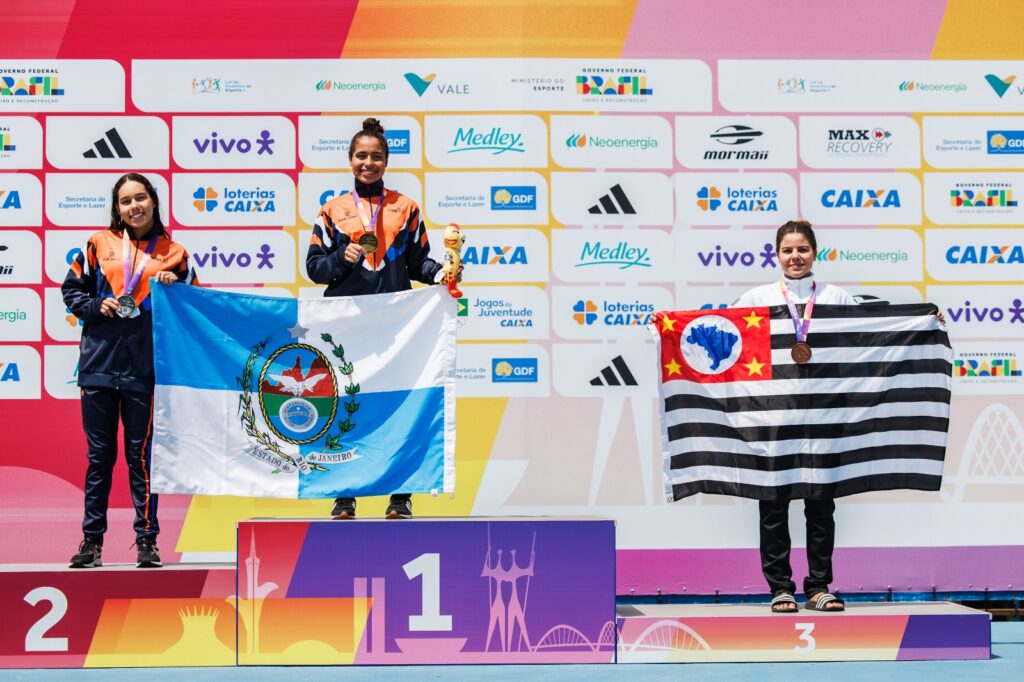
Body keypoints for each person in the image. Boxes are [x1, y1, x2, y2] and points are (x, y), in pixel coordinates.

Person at [306, 117, 459, 520]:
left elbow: (418, 263)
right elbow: (314, 268)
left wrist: (441, 274)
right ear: (350, 160)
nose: (368, 163)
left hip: (395, 327)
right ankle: (344, 495)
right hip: (347, 327)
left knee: (400, 407)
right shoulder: (332, 211)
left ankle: (400, 496)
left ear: (386, 161)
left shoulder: (405, 208)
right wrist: (340, 258)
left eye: (376, 156)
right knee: (346, 406)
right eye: (361, 156)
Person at [62, 173, 200, 568]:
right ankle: (91, 542)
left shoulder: (175, 253)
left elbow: (194, 305)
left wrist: (176, 287)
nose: (134, 206)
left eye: (141, 198)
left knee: (141, 460)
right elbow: (71, 291)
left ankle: (147, 541)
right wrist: (96, 306)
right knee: (99, 459)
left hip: (145, 370)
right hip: (99, 368)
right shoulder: (98, 244)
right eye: (126, 201)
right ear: (117, 209)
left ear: (153, 201)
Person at [732, 220, 854, 613]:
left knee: (821, 506)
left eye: (802, 249)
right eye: (787, 250)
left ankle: (819, 587)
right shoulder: (758, 297)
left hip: (823, 419)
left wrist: (925, 322)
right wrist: (667, 329)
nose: (795, 257)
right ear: (777, 254)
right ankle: (780, 588)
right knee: (773, 504)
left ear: (815, 252)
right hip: (774, 420)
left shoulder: (836, 296)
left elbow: (873, 336)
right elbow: (718, 331)